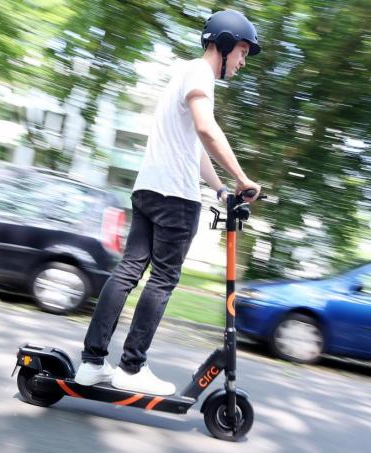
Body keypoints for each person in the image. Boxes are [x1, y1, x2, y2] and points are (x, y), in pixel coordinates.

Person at [74, 10, 263, 396]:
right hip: (174, 197)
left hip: (148, 189)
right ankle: (131, 366)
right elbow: (207, 130)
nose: (243, 62)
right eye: (242, 52)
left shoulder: (183, 74)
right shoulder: (200, 75)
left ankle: (92, 363)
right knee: (162, 279)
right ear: (223, 44)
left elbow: (194, 149)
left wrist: (221, 189)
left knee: (127, 272)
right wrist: (243, 178)